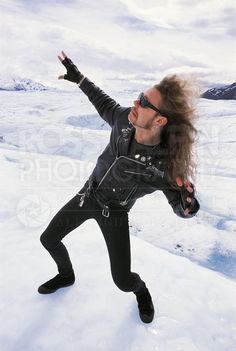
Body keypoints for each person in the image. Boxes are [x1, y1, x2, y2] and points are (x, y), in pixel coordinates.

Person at [38, 50, 200, 324]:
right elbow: (103, 102)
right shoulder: (125, 120)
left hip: (114, 214)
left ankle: (142, 291)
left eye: (145, 102)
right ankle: (66, 275)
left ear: (160, 120)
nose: (136, 102)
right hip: (87, 196)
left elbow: (182, 208)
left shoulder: (165, 167)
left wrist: (187, 203)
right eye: (140, 95)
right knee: (48, 239)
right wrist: (80, 79)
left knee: (123, 282)